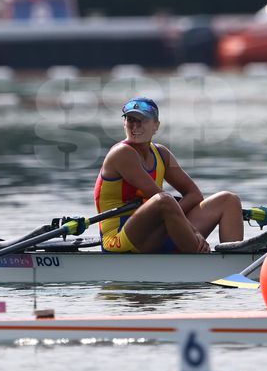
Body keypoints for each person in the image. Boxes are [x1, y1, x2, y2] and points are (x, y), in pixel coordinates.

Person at [94, 97, 243, 254]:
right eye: (130, 120)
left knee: (229, 200)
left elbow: (194, 195)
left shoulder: (161, 154)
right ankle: (200, 256)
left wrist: (173, 217)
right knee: (163, 200)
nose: (135, 126)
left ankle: (235, 262)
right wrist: (192, 230)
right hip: (119, 239)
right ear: (124, 123)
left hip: (155, 232)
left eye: (142, 120)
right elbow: (159, 197)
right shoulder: (122, 154)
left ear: (156, 126)